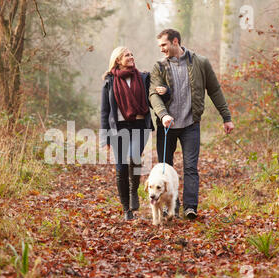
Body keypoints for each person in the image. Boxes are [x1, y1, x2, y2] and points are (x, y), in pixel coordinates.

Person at [149, 29, 235, 220]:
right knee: (165, 168)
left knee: (190, 167)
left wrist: (226, 117)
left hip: (190, 124)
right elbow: (153, 94)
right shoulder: (159, 67)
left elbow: (215, 90)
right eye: (160, 46)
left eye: (164, 45)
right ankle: (169, 207)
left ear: (175, 41)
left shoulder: (200, 62)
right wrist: (163, 115)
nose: (162, 49)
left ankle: (190, 207)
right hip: (167, 126)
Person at [100, 47, 155, 220]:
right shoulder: (109, 82)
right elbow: (104, 112)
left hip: (140, 125)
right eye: (127, 55)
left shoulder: (143, 78)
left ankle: (134, 191)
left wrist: (164, 92)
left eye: (132, 54)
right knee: (121, 168)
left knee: (133, 158)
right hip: (119, 129)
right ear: (118, 60)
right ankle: (126, 210)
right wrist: (105, 138)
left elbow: (154, 99)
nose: (131, 57)